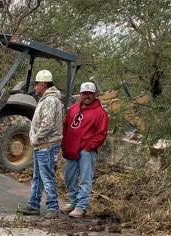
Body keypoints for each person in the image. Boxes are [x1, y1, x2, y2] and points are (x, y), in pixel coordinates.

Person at [18, 70, 63, 217]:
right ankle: (33, 205)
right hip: (42, 145)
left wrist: (35, 138)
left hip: (46, 145)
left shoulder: (50, 101)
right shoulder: (46, 99)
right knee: (38, 176)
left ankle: (53, 207)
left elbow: (47, 124)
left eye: (36, 85)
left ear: (43, 85)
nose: (35, 88)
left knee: (46, 176)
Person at [61, 82, 108, 218]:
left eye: (90, 94)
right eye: (84, 94)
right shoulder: (73, 109)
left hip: (86, 151)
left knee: (84, 179)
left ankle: (81, 206)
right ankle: (73, 201)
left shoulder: (100, 113)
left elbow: (101, 133)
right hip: (71, 148)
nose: (87, 96)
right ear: (80, 94)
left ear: (95, 95)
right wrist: (64, 144)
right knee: (69, 177)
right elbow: (66, 127)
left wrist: (89, 147)